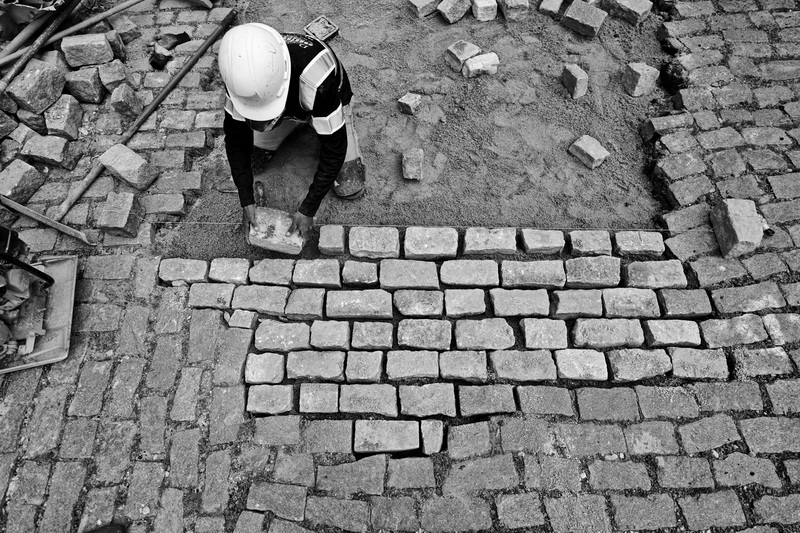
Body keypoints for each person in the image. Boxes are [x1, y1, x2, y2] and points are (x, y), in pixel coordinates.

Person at [216, 23, 365, 238]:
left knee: (350, 186)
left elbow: (334, 150)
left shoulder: (317, 82)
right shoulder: (239, 80)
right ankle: (292, 121)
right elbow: (236, 141)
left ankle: (321, 121)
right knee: (252, 162)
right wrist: (246, 198)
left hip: (327, 102)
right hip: (289, 107)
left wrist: (308, 209)